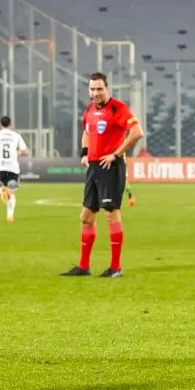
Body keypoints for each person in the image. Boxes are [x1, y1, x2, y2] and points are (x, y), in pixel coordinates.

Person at [61, 72, 143, 278]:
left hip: (111, 168)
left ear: (107, 89)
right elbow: (87, 132)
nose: (96, 93)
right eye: (92, 89)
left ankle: (116, 267)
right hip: (94, 168)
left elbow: (137, 132)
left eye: (99, 89)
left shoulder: (118, 108)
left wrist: (116, 154)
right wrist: (85, 153)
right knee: (86, 217)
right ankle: (84, 266)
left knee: (111, 214)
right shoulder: (88, 110)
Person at [0, 116, 28, 223]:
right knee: (12, 192)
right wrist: (16, 152)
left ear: (0, 124)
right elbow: (25, 151)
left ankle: (1, 191)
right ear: (10, 125)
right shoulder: (16, 136)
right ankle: (10, 216)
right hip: (12, 167)